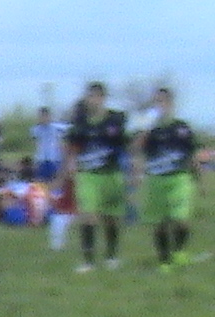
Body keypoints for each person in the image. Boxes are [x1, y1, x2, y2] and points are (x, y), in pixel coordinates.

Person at [63, 83, 128, 273]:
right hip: (88, 175)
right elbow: (72, 147)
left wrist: (132, 169)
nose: (93, 101)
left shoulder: (115, 120)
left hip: (111, 174)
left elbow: (126, 145)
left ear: (103, 98)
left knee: (111, 218)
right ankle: (88, 261)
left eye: (97, 97)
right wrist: (71, 164)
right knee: (88, 215)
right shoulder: (80, 123)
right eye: (90, 97)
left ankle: (111, 256)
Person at [137, 87, 200, 273]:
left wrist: (198, 177)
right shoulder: (150, 130)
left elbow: (191, 153)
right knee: (160, 222)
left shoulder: (182, 128)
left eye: (163, 101)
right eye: (157, 102)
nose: (160, 106)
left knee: (180, 218)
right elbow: (138, 151)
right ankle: (164, 261)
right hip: (156, 179)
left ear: (171, 104)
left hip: (179, 177)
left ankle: (179, 251)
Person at [31, 106, 67, 183]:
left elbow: (63, 141)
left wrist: (64, 157)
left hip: (54, 159)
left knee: (55, 181)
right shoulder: (35, 130)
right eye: (41, 116)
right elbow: (35, 144)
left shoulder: (58, 128)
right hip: (41, 159)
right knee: (41, 183)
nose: (43, 118)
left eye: (45, 116)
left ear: (49, 116)